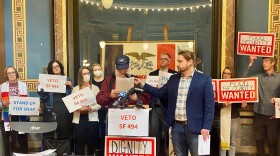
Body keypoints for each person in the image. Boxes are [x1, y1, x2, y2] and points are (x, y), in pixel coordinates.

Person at [136, 50, 215, 156]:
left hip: (196, 128)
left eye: (180, 61)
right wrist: (143, 85)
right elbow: (161, 93)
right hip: (176, 127)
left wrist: (206, 127)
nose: (177, 64)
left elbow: (209, 106)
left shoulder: (204, 79)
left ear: (190, 61)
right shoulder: (173, 78)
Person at [243, 55, 280, 156]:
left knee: (272, 142)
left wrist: (278, 109)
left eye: (267, 61)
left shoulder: (279, 78)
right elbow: (244, 79)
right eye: (263, 62)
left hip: (273, 116)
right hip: (258, 114)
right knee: (259, 141)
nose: (264, 63)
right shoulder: (259, 77)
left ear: (273, 63)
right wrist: (250, 63)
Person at [38, 60, 73, 155]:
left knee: (64, 135)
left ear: (61, 67)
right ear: (51, 69)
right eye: (54, 67)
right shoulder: (47, 80)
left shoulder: (67, 79)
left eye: (57, 66)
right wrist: (41, 90)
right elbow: (44, 98)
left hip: (65, 111)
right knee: (51, 135)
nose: (56, 68)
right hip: (51, 111)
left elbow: (73, 97)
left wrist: (71, 86)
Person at [213, 67, 247, 156]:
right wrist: (222, 105)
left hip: (234, 117)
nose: (226, 75)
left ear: (232, 75)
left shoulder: (236, 86)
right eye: (224, 73)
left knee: (232, 141)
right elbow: (212, 103)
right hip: (221, 117)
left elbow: (239, 104)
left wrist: (242, 105)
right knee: (223, 141)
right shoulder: (217, 86)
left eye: (228, 74)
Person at [149, 52, 177, 156]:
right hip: (154, 106)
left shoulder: (174, 75)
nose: (163, 60)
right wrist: (153, 89)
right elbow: (147, 92)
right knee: (154, 133)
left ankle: (168, 154)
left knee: (168, 135)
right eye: (161, 59)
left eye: (165, 59)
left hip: (167, 108)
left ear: (169, 61)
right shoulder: (152, 74)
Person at [72, 66, 101, 155]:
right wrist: (79, 108)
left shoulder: (95, 88)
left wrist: (90, 108)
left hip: (92, 119)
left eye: (88, 73)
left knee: (91, 145)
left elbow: (100, 104)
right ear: (80, 75)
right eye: (84, 74)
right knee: (80, 145)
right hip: (79, 120)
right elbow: (72, 105)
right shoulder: (75, 89)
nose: (86, 75)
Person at [0, 66, 29, 154]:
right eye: (9, 73)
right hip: (7, 116)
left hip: (21, 116)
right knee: (8, 142)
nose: (11, 74)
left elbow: (28, 100)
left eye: (13, 72)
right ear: (6, 75)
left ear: (16, 73)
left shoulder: (23, 85)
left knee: (22, 141)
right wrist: (2, 104)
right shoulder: (2, 86)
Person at [91, 63, 106, 156]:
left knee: (104, 130)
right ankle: (96, 150)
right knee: (95, 131)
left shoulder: (106, 82)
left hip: (104, 110)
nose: (97, 71)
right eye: (95, 70)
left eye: (99, 69)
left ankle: (103, 149)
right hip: (93, 111)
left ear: (102, 70)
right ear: (92, 72)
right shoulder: (90, 82)